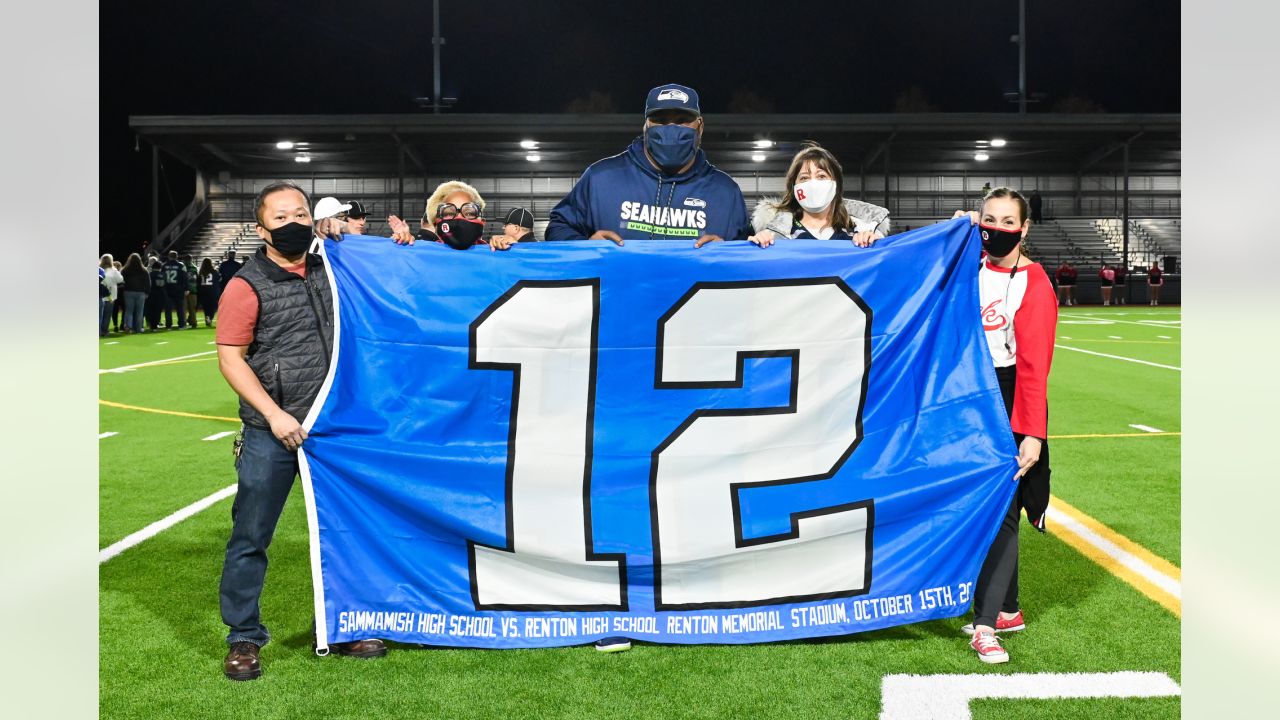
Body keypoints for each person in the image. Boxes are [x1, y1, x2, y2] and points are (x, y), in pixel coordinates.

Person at [215, 181, 385, 681]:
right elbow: (230, 358)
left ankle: (345, 623)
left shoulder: (333, 265)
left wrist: (348, 236)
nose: (293, 222)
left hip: (334, 426)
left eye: (301, 213)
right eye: (281, 215)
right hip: (277, 428)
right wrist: (273, 414)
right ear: (260, 226)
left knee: (347, 532)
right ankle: (243, 636)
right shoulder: (246, 284)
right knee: (251, 534)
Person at [953, 187, 1056, 665]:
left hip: (1009, 401)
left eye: (1008, 221)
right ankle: (1009, 608)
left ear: (1024, 228)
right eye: (988, 218)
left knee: (1003, 511)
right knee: (984, 506)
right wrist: (951, 234)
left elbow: (1034, 367)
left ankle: (986, 623)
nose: (997, 228)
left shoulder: (1034, 283)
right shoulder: (966, 268)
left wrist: (1032, 433)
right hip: (968, 397)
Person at [545, 83, 750, 246]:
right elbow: (558, 228)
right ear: (646, 126)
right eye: (660, 119)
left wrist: (728, 255)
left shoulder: (726, 191)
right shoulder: (601, 178)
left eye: (682, 120)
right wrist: (584, 246)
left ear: (700, 126)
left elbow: (750, 258)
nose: (671, 128)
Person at [744, 142, 889, 248]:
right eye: (804, 178)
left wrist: (876, 246)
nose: (813, 184)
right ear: (794, 187)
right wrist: (757, 247)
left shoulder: (859, 230)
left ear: (836, 183)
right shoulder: (774, 236)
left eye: (821, 176)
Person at [390, 180, 516, 250]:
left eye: (469, 212)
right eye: (450, 213)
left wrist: (515, 248)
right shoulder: (423, 253)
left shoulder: (494, 251)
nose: (460, 218)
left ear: (482, 222)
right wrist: (402, 247)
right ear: (436, 224)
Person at [120, 253, 150, 333]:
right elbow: (148, 282)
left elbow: (121, 281)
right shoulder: (144, 270)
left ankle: (128, 327)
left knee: (129, 310)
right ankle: (138, 328)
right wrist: (147, 292)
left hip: (128, 292)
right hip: (140, 293)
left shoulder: (125, 270)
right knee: (139, 311)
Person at [161, 250, 189, 328]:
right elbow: (185, 277)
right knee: (180, 308)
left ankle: (168, 325)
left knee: (168, 309)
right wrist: (186, 288)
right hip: (178, 289)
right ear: (176, 256)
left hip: (167, 289)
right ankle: (181, 324)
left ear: (169, 256)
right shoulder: (181, 265)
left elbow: (162, 277)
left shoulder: (164, 265)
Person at [99, 255, 123, 337]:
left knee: (99, 315)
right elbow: (120, 279)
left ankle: (99, 331)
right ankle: (104, 331)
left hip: (100, 295)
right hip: (111, 296)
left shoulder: (99, 270)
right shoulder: (114, 270)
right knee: (107, 315)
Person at [197, 258, 221, 327]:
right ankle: (210, 317)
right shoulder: (214, 271)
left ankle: (207, 316)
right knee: (214, 307)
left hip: (203, 291)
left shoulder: (201, 272)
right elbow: (218, 279)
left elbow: (198, 282)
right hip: (212, 291)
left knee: (206, 307)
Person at [145, 257, 166, 331]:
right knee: (158, 311)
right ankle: (155, 325)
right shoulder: (163, 274)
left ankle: (151, 324)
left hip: (150, 294)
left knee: (150, 310)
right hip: (160, 294)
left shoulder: (149, 274)